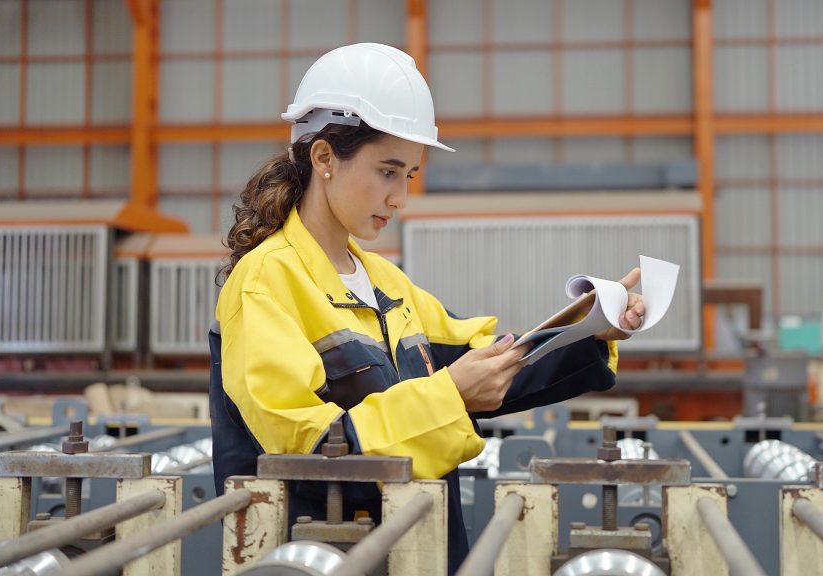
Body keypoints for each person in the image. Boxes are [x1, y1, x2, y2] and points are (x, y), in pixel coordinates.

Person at [207, 42, 646, 572]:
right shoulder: (265, 284)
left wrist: (593, 328)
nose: (401, 198)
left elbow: (489, 361)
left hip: (417, 550)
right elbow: (306, 450)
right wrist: (450, 395)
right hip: (323, 559)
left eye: (409, 176)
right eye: (388, 172)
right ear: (324, 157)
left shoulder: (384, 283)